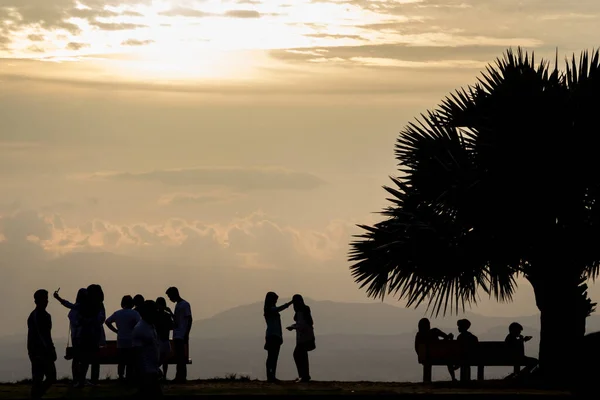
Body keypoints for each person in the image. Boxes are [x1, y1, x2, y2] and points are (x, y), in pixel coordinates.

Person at [28, 289, 57, 399]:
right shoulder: (38, 316)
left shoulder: (41, 315)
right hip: (39, 351)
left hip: (39, 350)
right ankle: (36, 395)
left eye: (47, 299)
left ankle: (36, 395)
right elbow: (43, 335)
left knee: (43, 377)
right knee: (43, 377)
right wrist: (50, 349)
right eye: (44, 299)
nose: (46, 301)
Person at [53, 288, 87, 381]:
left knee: (76, 358)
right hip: (81, 336)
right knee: (81, 358)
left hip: (75, 336)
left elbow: (68, 304)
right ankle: (80, 378)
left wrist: (58, 298)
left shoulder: (76, 308)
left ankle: (77, 378)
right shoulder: (84, 308)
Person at [105, 295, 141, 382]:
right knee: (130, 361)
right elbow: (140, 324)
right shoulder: (135, 313)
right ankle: (129, 377)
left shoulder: (117, 313)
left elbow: (107, 321)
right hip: (131, 340)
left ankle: (121, 376)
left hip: (121, 339)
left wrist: (116, 331)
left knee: (121, 360)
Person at [133, 300, 162, 398]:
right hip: (146, 372)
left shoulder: (151, 326)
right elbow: (137, 353)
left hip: (152, 370)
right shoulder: (140, 329)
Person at [263, 292, 292, 382]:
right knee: (272, 357)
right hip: (273, 336)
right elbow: (279, 309)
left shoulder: (270, 310)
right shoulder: (270, 310)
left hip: (275, 336)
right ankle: (271, 376)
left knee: (273, 357)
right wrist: (290, 303)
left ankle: (271, 375)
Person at [286, 294, 315, 383]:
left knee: (298, 354)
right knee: (302, 356)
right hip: (306, 337)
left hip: (304, 338)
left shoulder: (301, 311)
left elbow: (302, 325)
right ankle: (304, 375)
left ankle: (303, 375)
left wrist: (293, 327)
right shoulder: (304, 310)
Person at [166, 287, 192, 383]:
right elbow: (177, 320)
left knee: (181, 357)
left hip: (181, 334)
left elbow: (189, 319)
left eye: (170, 296)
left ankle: (181, 377)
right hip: (177, 334)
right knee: (179, 356)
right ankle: (179, 376)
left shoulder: (184, 305)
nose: (169, 299)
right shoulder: (178, 305)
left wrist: (186, 333)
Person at [87, 284, 106, 385]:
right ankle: (94, 379)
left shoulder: (87, 305)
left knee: (88, 357)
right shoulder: (100, 305)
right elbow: (102, 318)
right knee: (95, 358)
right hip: (96, 333)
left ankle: (86, 379)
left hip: (89, 333)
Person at [155, 297, 174, 380]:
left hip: (161, 340)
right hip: (163, 339)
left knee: (162, 359)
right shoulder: (167, 315)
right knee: (164, 359)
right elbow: (173, 325)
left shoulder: (155, 315)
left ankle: (160, 374)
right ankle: (163, 375)